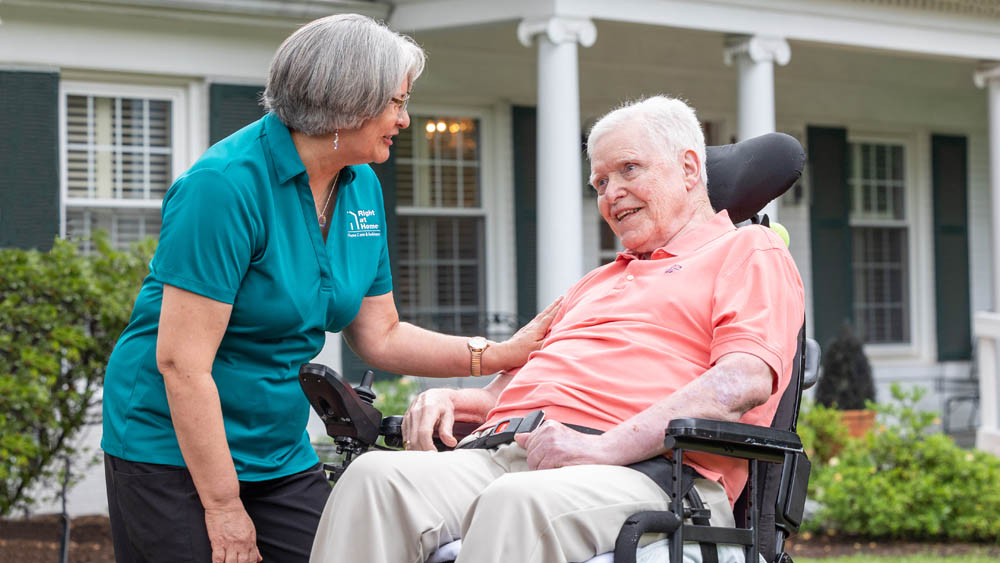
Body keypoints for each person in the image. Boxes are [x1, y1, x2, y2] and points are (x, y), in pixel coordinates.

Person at [101, 14, 559, 563]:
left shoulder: (360, 184)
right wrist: (223, 507)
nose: (405, 119)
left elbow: (381, 335)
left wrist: (501, 354)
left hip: (276, 447)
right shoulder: (222, 188)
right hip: (170, 449)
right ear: (347, 102)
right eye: (396, 102)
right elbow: (182, 364)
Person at [309, 95, 805, 563]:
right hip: (514, 453)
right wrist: (452, 400)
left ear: (689, 168)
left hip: (654, 474)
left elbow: (742, 380)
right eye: (600, 183)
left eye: (628, 169)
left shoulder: (748, 252)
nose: (612, 194)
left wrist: (601, 448)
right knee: (374, 479)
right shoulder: (595, 282)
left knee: (515, 501)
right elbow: (508, 394)